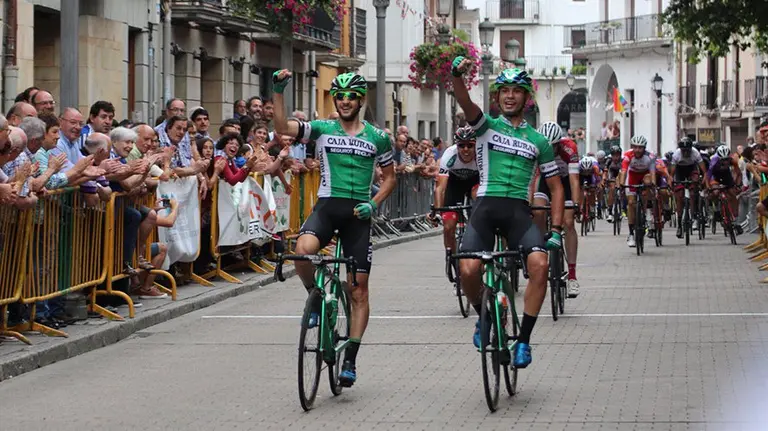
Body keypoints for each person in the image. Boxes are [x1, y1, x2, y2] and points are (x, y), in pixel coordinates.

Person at [272, 70, 396, 387]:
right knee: (302, 253)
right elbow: (282, 128)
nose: (344, 101)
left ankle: (350, 358)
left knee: (358, 290)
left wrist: (375, 203)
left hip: (358, 215)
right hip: (327, 208)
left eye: (350, 96)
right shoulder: (323, 129)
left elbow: (390, 178)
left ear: (360, 100)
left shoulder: (378, 137)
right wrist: (278, 93)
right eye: (339, 96)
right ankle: (315, 296)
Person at [451, 56, 563, 368]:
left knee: (540, 265)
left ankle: (524, 340)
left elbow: (556, 188)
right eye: (504, 91)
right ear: (497, 96)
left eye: (516, 91)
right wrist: (456, 75)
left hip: (518, 212)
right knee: (468, 270)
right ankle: (484, 316)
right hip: (485, 208)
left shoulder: (539, 141)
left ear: (526, 98)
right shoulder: (485, 126)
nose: (510, 96)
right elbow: (464, 101)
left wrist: (555, 231)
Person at [532, 121, 581, 298]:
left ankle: (572, 276)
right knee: (538, 211)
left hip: (565, 182)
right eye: (547, 146)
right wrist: (528, 203)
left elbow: (574, 180)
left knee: (568, 222)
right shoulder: (536, 147)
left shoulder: (569, 148)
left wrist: (576, 203)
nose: (550, 150)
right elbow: (533, 179)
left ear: (559, 143)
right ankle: (541, 253)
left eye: (553, 146)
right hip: (545, 182)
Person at [428, 126, 479, 254]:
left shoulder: (481, 154)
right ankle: (452, 256)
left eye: (470, 145)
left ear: (476, 145)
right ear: (457, 146)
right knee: (448, 227)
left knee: (478, 199)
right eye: (461, 145)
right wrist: (438, 212)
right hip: (454, 184)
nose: (466, 149)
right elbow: (440, 188)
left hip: (475, 182)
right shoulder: (450, 154)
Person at [618, 135, 656, 247]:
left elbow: (652, 173)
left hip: (645, 175)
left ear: (644, 148)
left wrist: (653, 185)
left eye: (640, 147)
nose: (637, 150)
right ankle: (631, 234)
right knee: (631, 203)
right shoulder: (627, 155)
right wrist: (622, 184)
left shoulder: (650, 156)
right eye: (635, 147)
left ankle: (647, 211)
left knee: (648, 183)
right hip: (633, 175)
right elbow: (624, 171)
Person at [669, 137, 707, 238]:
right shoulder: (676, 155)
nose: (685, 153)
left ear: (691, 149)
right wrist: (671, 182)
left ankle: (694, 215)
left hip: (691, 169)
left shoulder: (695, 153)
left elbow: (703, 170)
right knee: (679, 196)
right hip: (680, 171)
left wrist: (704, 179)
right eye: (683, 151)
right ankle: (680, 224)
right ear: (680, 150)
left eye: (687, 150)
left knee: (694, 188)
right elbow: (672, 174)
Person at [706, 144, 743, 234]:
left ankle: (736, 220)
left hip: (726, 176)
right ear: (719, 158)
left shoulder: (732, 160)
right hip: (715, 177)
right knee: (715, 192)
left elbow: (738, 173)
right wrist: (708, 187)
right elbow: (708, 176)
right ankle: (716, 210)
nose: (726, 162)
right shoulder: (714, 161)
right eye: (723, 160)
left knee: (733, 195)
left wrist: (738, 184)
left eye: (727, 160)